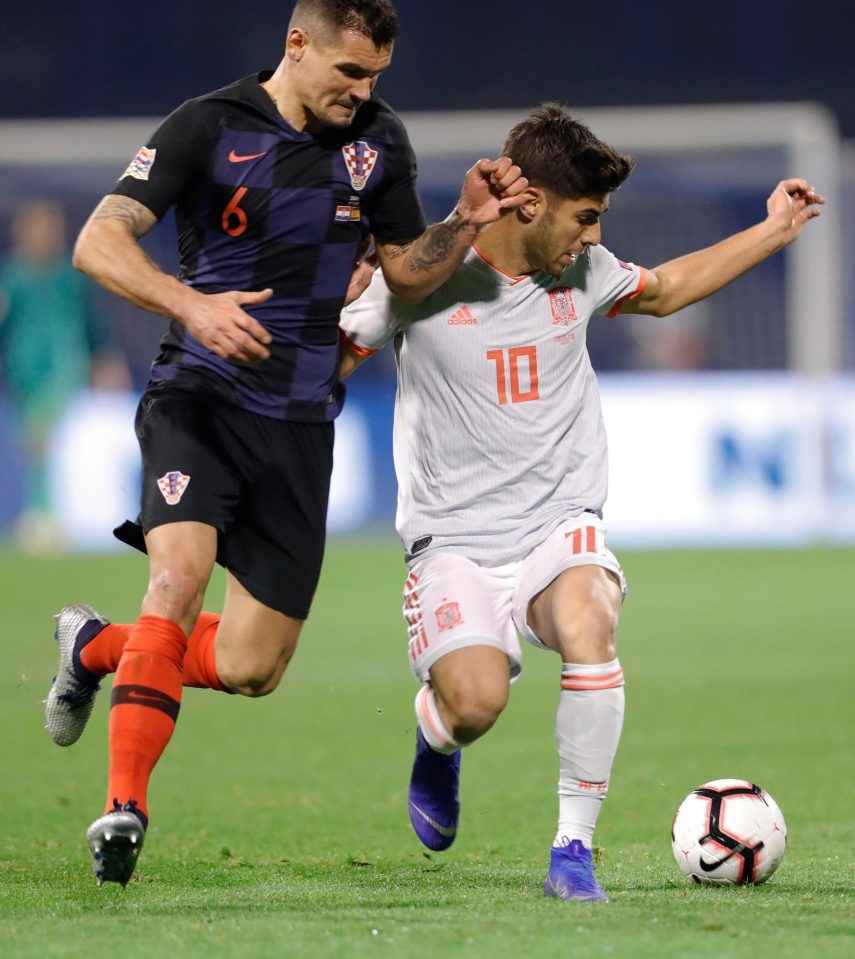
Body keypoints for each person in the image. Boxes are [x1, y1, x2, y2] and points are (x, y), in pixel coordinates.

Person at [44, 0, 527, 888]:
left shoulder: (378, 141)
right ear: (295, 45)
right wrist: (192, 305)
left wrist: (462, 224)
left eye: (375, 74)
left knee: (252, 665)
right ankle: (124, 808)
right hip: (196, 397)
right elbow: (97, 240)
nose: (363, 90)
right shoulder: (208, 124)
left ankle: (98, 648)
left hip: (302, 423)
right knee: (178, 579)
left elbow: (405, 274)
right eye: (348, 71)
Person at [337, 102, 824, 902]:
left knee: (589, 620)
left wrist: (773, 229)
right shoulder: (420, 281)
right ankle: (436, 737)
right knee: (474, 702)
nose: (594, 237)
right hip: (453, 541)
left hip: (558, 524)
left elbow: (666, 289)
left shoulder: (580, 274)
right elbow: (325, 367)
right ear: (529, 204)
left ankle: (572, 850)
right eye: (585, 217)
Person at [0, 200, 130, 549]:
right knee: (36, 444)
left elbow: (94, 327)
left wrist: (106, 362)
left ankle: (52, 516)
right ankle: (41, 514)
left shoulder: (71, 278)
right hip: (27, 374)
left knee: (58, 443)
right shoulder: (13, 278)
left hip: (68, 371)